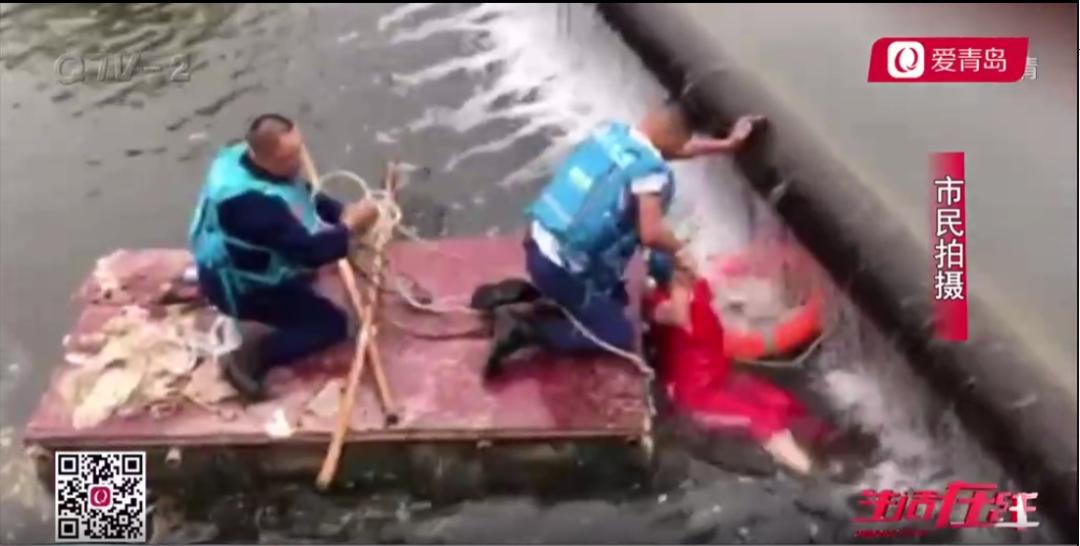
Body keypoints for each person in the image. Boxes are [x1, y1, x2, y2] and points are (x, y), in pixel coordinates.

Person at [483, 102, 764, 379]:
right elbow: (650, 233)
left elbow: (670, 149)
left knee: (615, 292)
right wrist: (681, 253)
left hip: (537, 242)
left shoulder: (613, 135)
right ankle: (526, 330)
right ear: (677, 137)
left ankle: (522, 294)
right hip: (558, 269)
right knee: (617, 333)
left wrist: (726, 145)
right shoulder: (651, 173)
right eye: (684, 141)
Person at [188, 113, 379, 399]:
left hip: (237, 259)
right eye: (290, 157)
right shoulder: (252, 208)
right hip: (241, 289)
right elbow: (310, 253)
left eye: (299, 149)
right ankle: (250, 357)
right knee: (332, 325)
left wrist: (340, 212)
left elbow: (300, 196)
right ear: (266, 157)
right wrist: (348, 227)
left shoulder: (242, 157)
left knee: (304, 263)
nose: (300, 161)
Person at [642, 252, 816, 475]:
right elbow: (678, 314)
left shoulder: (699, 289)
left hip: (721, 379)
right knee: (760, 419)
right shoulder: (660, 306)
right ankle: (808, 473)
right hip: (695, 399)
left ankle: (828, 446)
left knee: (780, 402)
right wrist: (679, 282)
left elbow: (711, 283)